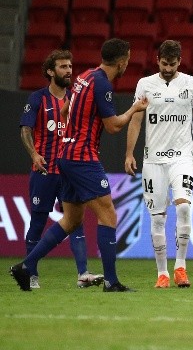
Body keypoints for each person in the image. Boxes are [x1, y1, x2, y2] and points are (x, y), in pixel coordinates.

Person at [10, 38, 148, 292]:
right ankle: (111, 282)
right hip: (83, 157)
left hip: (64, 154)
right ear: (121, 61)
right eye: (127, 59)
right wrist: (134, 109)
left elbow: (63, 112)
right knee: (108, 214)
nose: (128, 63)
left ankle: (26, 265)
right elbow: (113, 126)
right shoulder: (102, 84)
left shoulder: (84, 76)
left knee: (72, 220)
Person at [125, 40, 193, 289]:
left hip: (182, 158)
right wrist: (129, 153)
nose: (168, 68)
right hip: (153, 160)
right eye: (164, 64)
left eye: (172, 64)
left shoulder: (192, 84)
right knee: (158, 217)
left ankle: (181, 267)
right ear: (157, 60)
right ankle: (162, 273)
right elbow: (136, 121)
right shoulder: (145, 84)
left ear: (179, 62)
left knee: (184, 208)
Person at [19, 49, 103, 289]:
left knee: (75, 221)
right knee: (37, 222)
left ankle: (83, 273)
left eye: (70, 66)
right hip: (44, 171)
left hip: (69, 171)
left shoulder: (76, 100)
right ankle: (30, 273)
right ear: (50, 71)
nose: (69, 71)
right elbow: (25, 130)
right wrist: (34, 154)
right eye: (63, 67)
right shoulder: (37, 99)